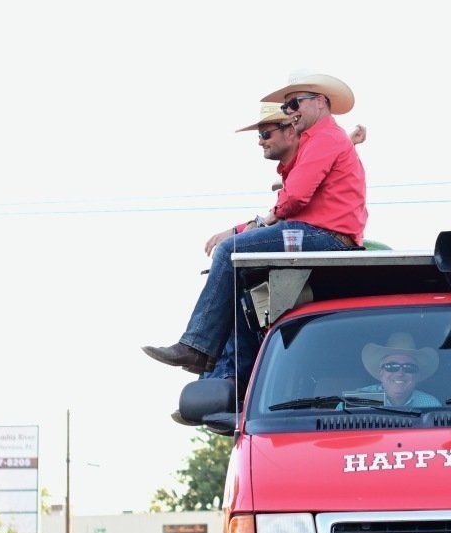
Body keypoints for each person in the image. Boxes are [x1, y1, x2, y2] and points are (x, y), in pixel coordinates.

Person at [144, 73, 367, 379]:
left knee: (230, 252)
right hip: (321, 234)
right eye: (286, 108)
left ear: (320, 102)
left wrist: (267, 218)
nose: (289, 112)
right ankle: (227, 373)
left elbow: (295, 197)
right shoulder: (325, 139)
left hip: (324, 236)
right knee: (242, 276)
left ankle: (198, 348)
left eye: (293, 104)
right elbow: (298, 192)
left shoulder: (325, 138)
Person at [344, 334, 442, 408]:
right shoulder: (361, 400)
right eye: (392, 366)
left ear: (417, 376)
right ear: (381, 373)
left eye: (408, 367)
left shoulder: (431, 405)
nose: (400, 373)